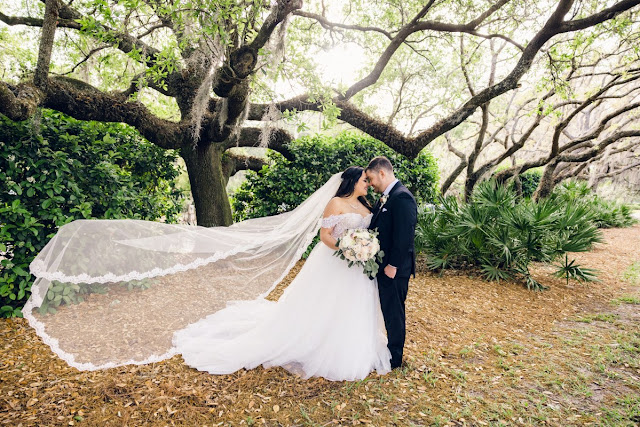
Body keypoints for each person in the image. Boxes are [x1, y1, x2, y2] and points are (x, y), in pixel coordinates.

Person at [172, 166, 391, 380]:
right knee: (327, 304)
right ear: (352, 182)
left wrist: (363, 249)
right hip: (336, 261)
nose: (368, 184)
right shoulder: (336, 203)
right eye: (364, 180)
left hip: (358, 267)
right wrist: (347, 248)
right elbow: (325, 236)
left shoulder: (367, 205)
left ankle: (352, 345)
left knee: (354, 305)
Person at [365, 156, 417, 369]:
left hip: (394, 269)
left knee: (395, 313)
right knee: (388, 309)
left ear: (382, 173)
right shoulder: (386, 197)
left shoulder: (402, 197)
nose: (370, 184)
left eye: (370, 178)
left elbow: (404, 236)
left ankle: (395, 359)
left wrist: (392, 266)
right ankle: (390, 352)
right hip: (384, 267)